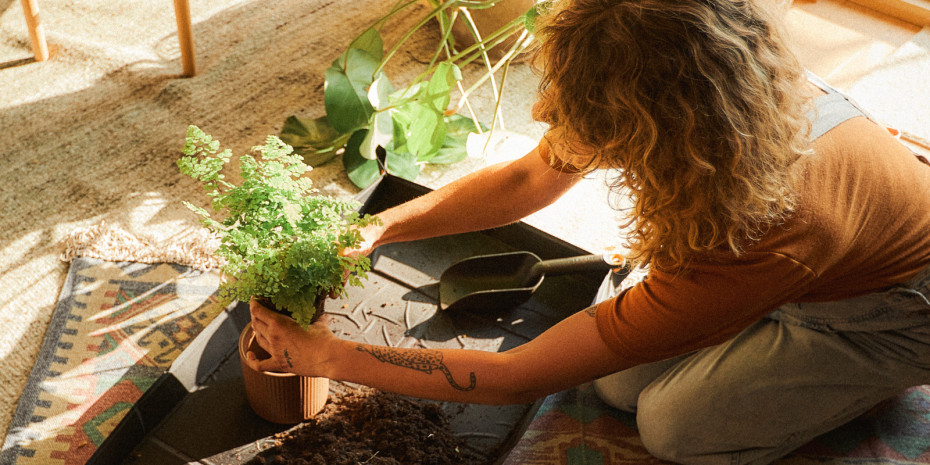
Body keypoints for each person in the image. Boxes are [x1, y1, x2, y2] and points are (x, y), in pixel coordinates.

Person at [245, 0, 930, 463]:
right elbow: (526, 179)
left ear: (652, 132)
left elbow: (518, 377)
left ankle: (873, 376)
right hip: (805, 261)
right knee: (614, 386)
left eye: (580, 115)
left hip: (889, 313)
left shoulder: (748, 228)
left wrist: (331, 357)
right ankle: (749, 316)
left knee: (670, 426)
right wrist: (380, 227)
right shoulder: (713, 88)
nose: (542, 109)